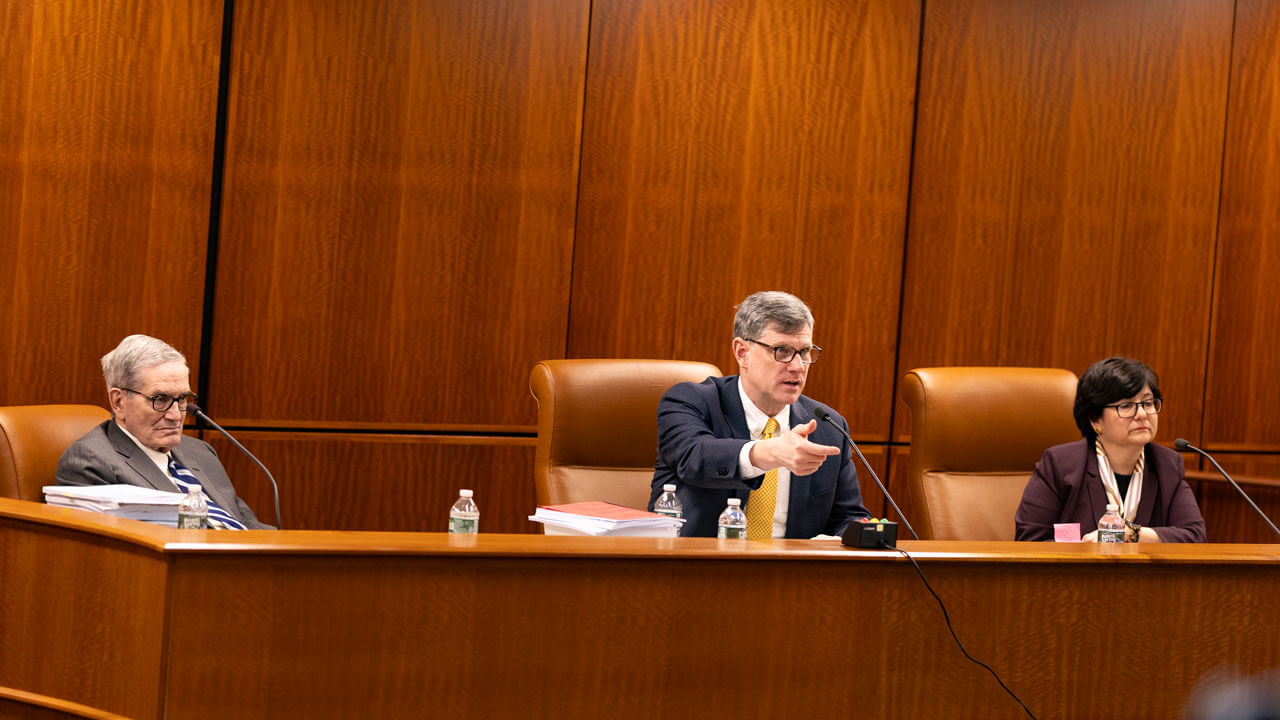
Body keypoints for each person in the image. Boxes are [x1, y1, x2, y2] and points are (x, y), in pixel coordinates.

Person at [649, 291, 871, 538]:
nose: (797, 366)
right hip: (699, 570)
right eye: (782, 351)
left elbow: (848, 517)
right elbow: (695, 457)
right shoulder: (690, 402)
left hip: (792, 573)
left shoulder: (828, 425)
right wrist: (771, 452)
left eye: (805, 351)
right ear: (742, 352)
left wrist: (842, 539)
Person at [56, 334, 270, 529]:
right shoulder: (90, 462)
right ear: (119, 402)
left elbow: (250, 528)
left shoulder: (200, 451)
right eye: (160, 399)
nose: (176, 415)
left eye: (183, 399)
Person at [1014, 356, 1204, 542]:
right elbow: (1030, 540)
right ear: (1095, 419)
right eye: (1126, 406)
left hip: (1143, 574)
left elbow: (1194, 535)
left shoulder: (1167, 465)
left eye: (1147, 403)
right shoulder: (1061, 465)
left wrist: (1130, 533)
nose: (1142, 414)